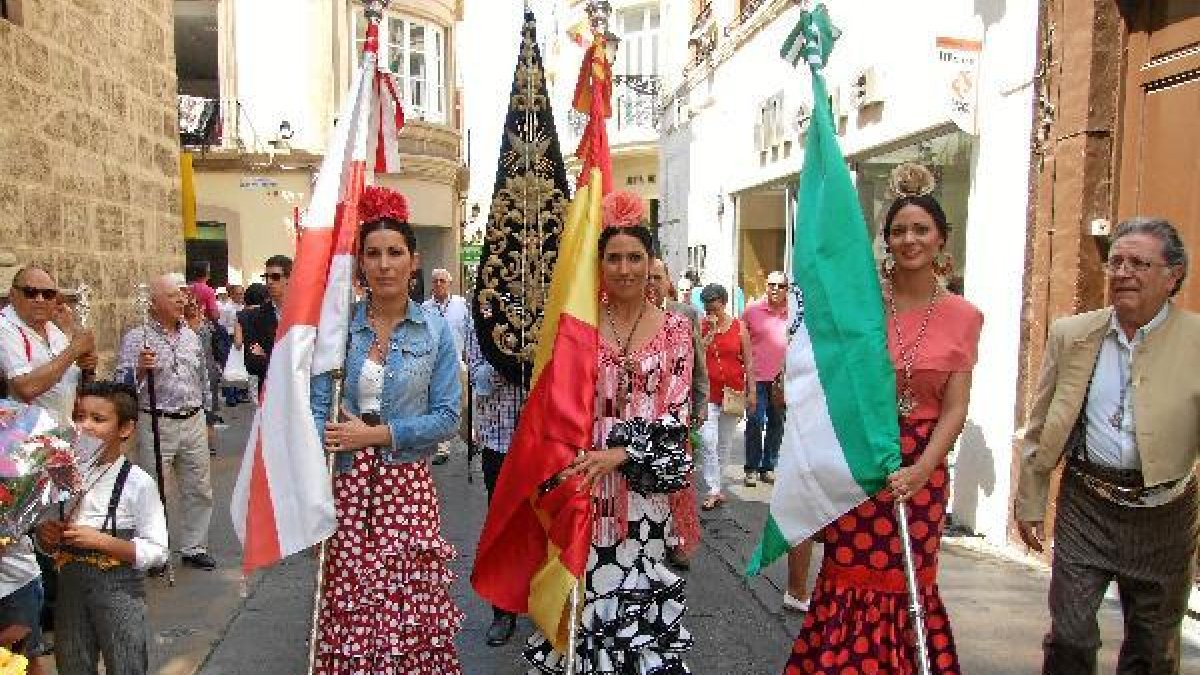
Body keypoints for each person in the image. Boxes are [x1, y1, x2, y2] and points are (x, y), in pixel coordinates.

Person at [784, 163, 982, 674]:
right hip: (862, 460)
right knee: (848, 572)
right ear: (885, 241)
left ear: (941, 238)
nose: (909, 239)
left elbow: (955, 408)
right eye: (898, 231)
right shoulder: (864, 307)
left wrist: (922, 471)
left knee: (909, 579)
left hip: (923, 470)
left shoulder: (964, 315)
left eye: (921, 229)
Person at [1016, 217, 1198, 675]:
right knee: (1071, 636)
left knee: (1153, 648)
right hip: (1087, 503)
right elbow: (1040, 423)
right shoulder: (1073, 334)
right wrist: (1031, 499)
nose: (1122, 272)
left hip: (1167, 513)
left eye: (1139, 262)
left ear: (1172, 275)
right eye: (1116, 261)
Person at [524, 190, 694, 673]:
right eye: (613, 258)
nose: (624, 268)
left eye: (634, 257)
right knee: (585, 598)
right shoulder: (579, 329)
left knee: (640, 600)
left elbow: (677, 413)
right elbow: (557, 404)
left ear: (650, 262)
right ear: (599, 264)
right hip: (583, 488)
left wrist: (618, 454)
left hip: (645, 496)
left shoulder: (677, 330)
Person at [311, 186, 463, 673]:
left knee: (407, 613)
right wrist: (330, 452)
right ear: (359, 264)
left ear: (414, 260)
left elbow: (446, 418)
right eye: (372, 254)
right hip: (349, 490)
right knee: (354, 611)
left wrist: (377, 434)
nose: (383, 264)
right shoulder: (337, 331)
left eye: (394, 253)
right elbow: (317, 412)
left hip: (407, 487)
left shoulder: (435, 331)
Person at [36, 381, 168, 675]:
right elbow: (45, 539)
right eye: (80, 416)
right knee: (72, 662)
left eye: (98, 419)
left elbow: (158, 551)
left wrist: (102, 542)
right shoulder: (61, 474)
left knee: (125, 662)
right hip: (70, 585)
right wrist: (46, 539)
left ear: (125, 429)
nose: (85, 426)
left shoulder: (137, 482)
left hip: (118, 588)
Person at [116, 274, 216, 571]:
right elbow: (121, 386)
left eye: (182, 295)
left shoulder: (191, 336)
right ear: (155, 302)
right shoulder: (137, 338)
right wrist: (140, 370)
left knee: (199, 486)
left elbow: (203, 377)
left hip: (192, 418)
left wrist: (207, 414)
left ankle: (194, 547)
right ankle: (156, 549)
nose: (181, 300)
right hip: (156, 420)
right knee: (154, 487)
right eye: (173, 296)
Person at [464, 321, 523, 646]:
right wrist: (510, 357)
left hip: (546, 441)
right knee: (503, 528)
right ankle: (503, 611)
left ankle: (546, 603)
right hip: (500, 443)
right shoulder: (481, 320)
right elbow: (480, 379)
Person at [648, 257, 707, 571]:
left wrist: (700, 404)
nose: (653, 284)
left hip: (677, 413)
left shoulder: (685, 315)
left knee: (679, 478)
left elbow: (698, 365)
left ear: (668, 281)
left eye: (658, 277)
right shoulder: (632, 315)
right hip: (645, 412)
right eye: (649, 277)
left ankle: (678, 541)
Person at [0, 266, 97, 425]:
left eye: (48, 294)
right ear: (13, 295)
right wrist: (73, 350)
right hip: (25, 437)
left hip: (63, 430)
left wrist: (88, 368)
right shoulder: (5, 327)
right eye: (30, 292)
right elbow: (26, 388)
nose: (40, 299)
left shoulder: (53, 330)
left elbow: (72, 384)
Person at [698, 283, 754, 508]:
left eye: (714, 306)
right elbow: (696, 353)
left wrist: (752, 392)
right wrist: (710, 331)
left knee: (724, 443)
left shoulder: (739, 327)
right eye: (707, 307)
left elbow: (749, 362)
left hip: (733, 393)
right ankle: (713, 488)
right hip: (707, 394)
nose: (711, 311)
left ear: (723, 303)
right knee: (708, 440)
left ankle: (717, 488)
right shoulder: (701, 326)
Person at [742, 270, 788, 485]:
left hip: (782, 380)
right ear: (766, 286)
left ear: (787, 289)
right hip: (756, 378)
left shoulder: (794, 313)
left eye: (780, 286)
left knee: (777, 424)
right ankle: (751, 467)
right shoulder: (751, 311)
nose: (775, 289)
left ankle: (768, 466)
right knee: (754, 422)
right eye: (772, 285)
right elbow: (740, 342)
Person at [422, 268, 470, 465]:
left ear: (449, 284)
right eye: (436, 281)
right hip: (435, 364)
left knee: (465, 403)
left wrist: (470, 358)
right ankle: (443, 448)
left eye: (442, 281)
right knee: (440, 404)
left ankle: (470, 438)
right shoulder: (425, 308)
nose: (439, 284)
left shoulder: (461, 305)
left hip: (458, 361)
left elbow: (470, 332)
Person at [182, 288, 223, 454]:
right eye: (188, 304)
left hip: (208, 369)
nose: (192, 306)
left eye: (194, 303)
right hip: (192, 372)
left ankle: (208, 445)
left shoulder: (204, 324)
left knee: (209, 411)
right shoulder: (182, 326)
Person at [241, 256, 291, 391]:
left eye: (275, 277)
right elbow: (252, 364)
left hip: (298, 392)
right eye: (266, 277)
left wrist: (267, 355)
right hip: (269, 391)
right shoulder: (256, 317)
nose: (269, 282)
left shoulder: (303, 314)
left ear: (289, 279)